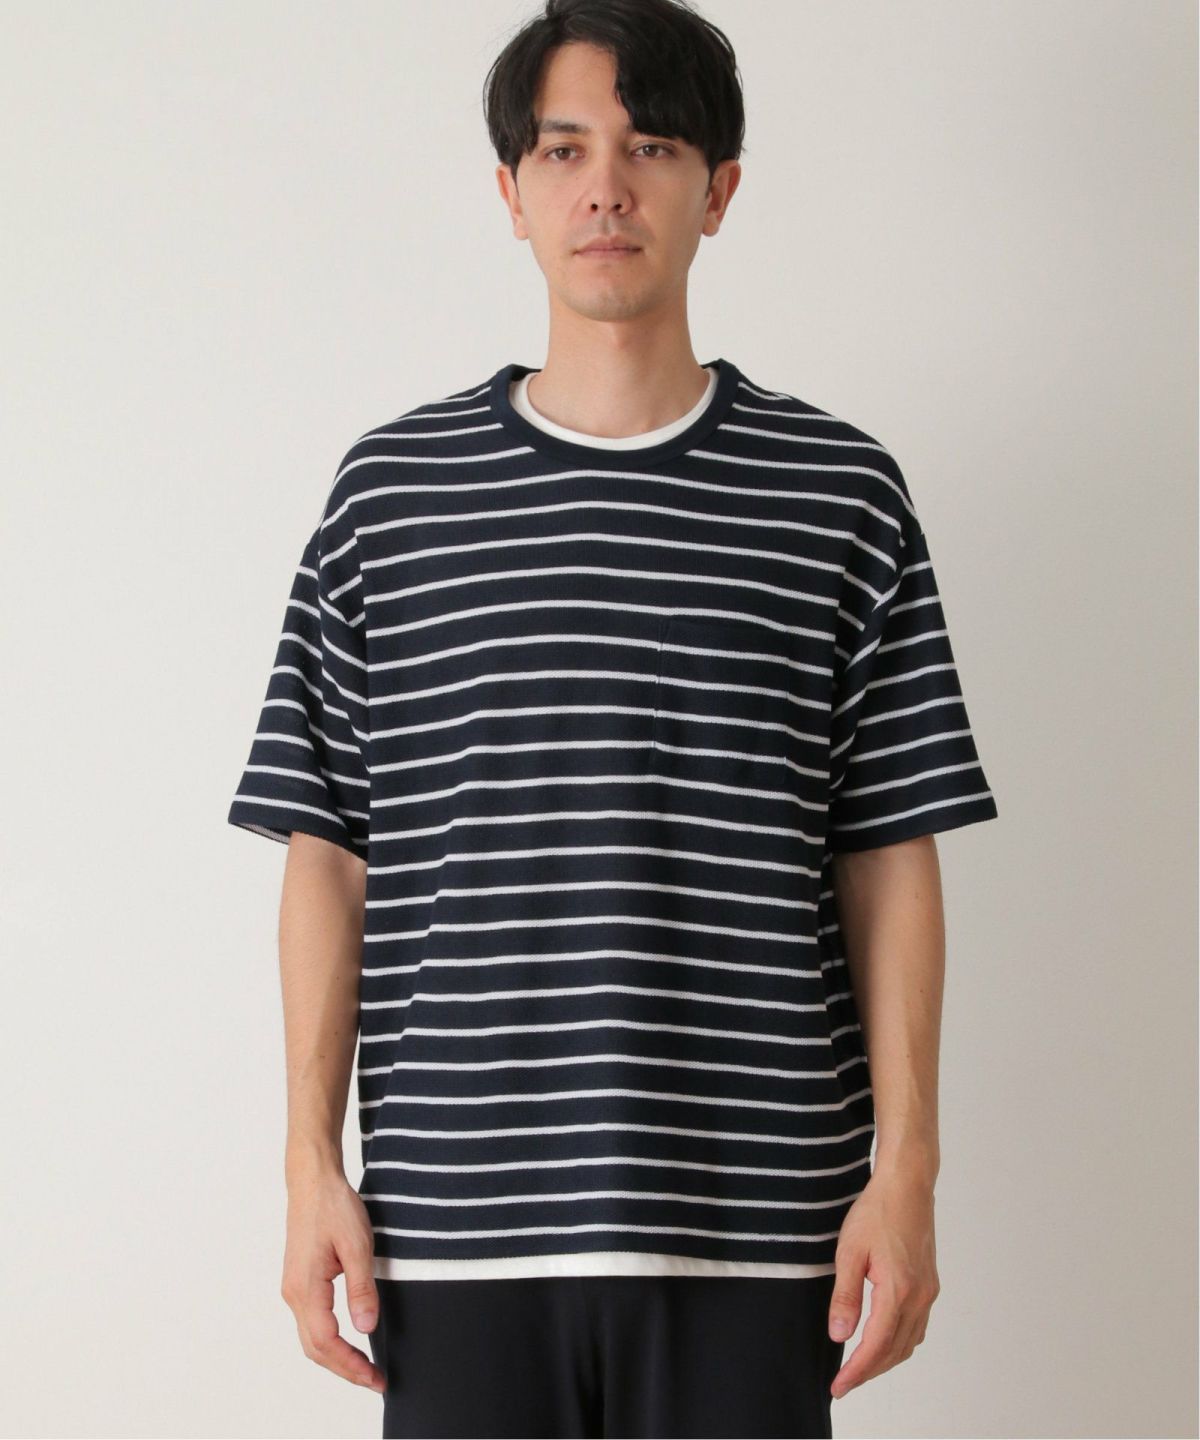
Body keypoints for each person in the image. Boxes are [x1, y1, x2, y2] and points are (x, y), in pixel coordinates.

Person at [227, 1, 999, 1435]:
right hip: (452, 1229)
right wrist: (308, 1168)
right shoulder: (392, 498)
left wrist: (908, 1172)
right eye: (565, 149)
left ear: (719, 189)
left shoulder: (837, 495)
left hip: (759, 1226)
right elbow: (328, 849)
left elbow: (889, 849)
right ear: (510, 191)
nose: (605, 188)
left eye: (651, 147)